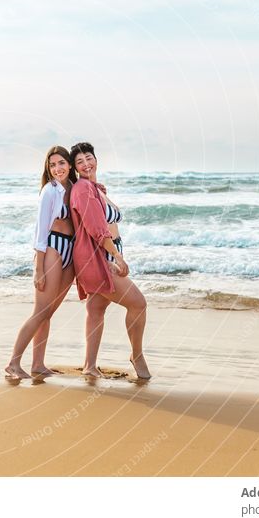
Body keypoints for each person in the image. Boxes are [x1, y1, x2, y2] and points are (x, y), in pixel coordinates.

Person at [68, 142, 151, 379]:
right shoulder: (84, 189)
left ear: (96, 158)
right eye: (79, 161)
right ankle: (136, 355)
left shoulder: (93, 188)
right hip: (99, 258)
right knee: (138, 303)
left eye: (89, 158)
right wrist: (115, 256)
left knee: (95, 309)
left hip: (101, 255)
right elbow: (97, 229)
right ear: (75, 168)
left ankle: (89, 366)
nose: (86, 164)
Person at [5, 146, 77, 379]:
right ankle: (13, 364)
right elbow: (40, 232)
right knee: (40, 311)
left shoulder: (76, 188)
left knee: (48, 313)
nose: (58, 168)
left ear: (69, 164)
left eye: (61, 163)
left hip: (71, 250)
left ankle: (38, 364)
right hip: (52, 248)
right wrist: (39, 269)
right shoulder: (49, 191)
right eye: (53, 164)